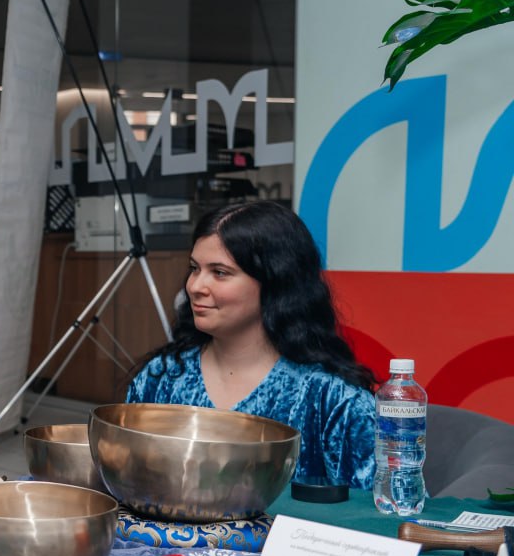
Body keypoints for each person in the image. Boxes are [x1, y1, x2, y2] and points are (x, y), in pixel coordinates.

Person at [127, 200, 377, 491]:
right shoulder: (162, 378)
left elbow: (370, 520)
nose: (194, 286)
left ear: (275, 281)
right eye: (195, 268)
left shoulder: (333, 400)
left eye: (219, 272)